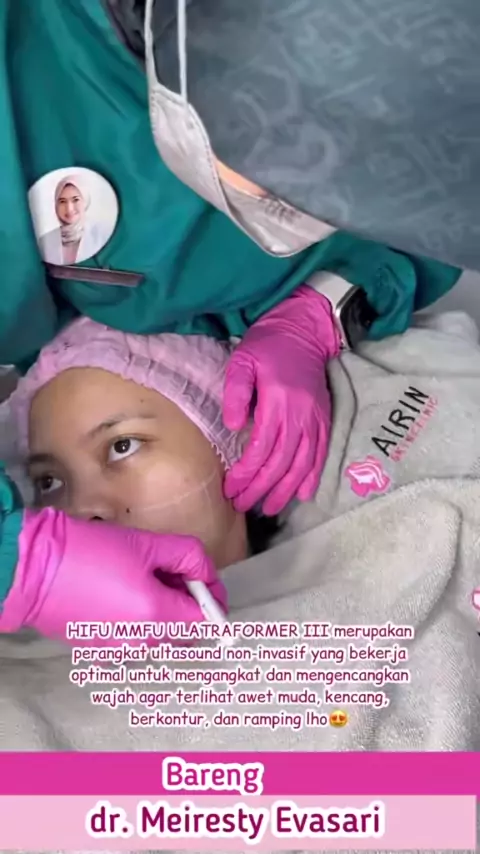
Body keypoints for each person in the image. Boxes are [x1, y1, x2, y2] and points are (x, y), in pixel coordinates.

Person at [38, 175, 110, 266]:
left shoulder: (102, 235)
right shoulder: (45, 241)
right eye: (62, 201)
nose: (69, 208)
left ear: (85, 201)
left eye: (75, 200)